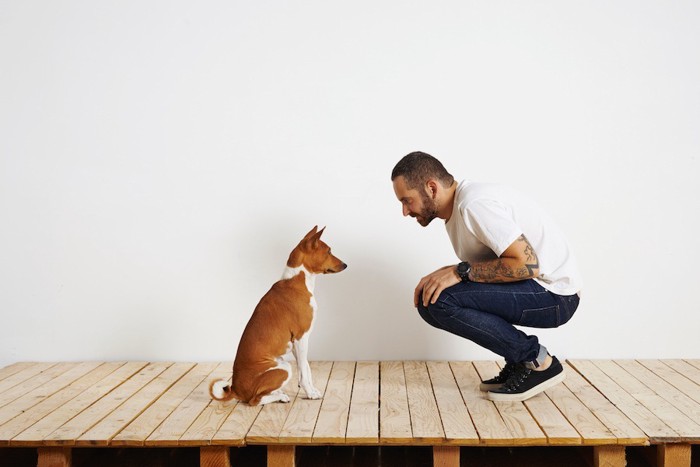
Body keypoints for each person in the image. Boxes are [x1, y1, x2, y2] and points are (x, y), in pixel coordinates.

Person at [391, 151, 582, 401]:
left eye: (407, 201)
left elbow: (527, 265)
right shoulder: (458, 209)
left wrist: (460, 271)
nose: (405, 211)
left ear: (431, 188)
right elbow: (496, 265)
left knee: (441, 300)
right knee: (431, 299)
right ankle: (519, 360)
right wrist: (448, 272)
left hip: (555, 295)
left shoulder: (473, 204)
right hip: (539, 289)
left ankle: (537, 360)